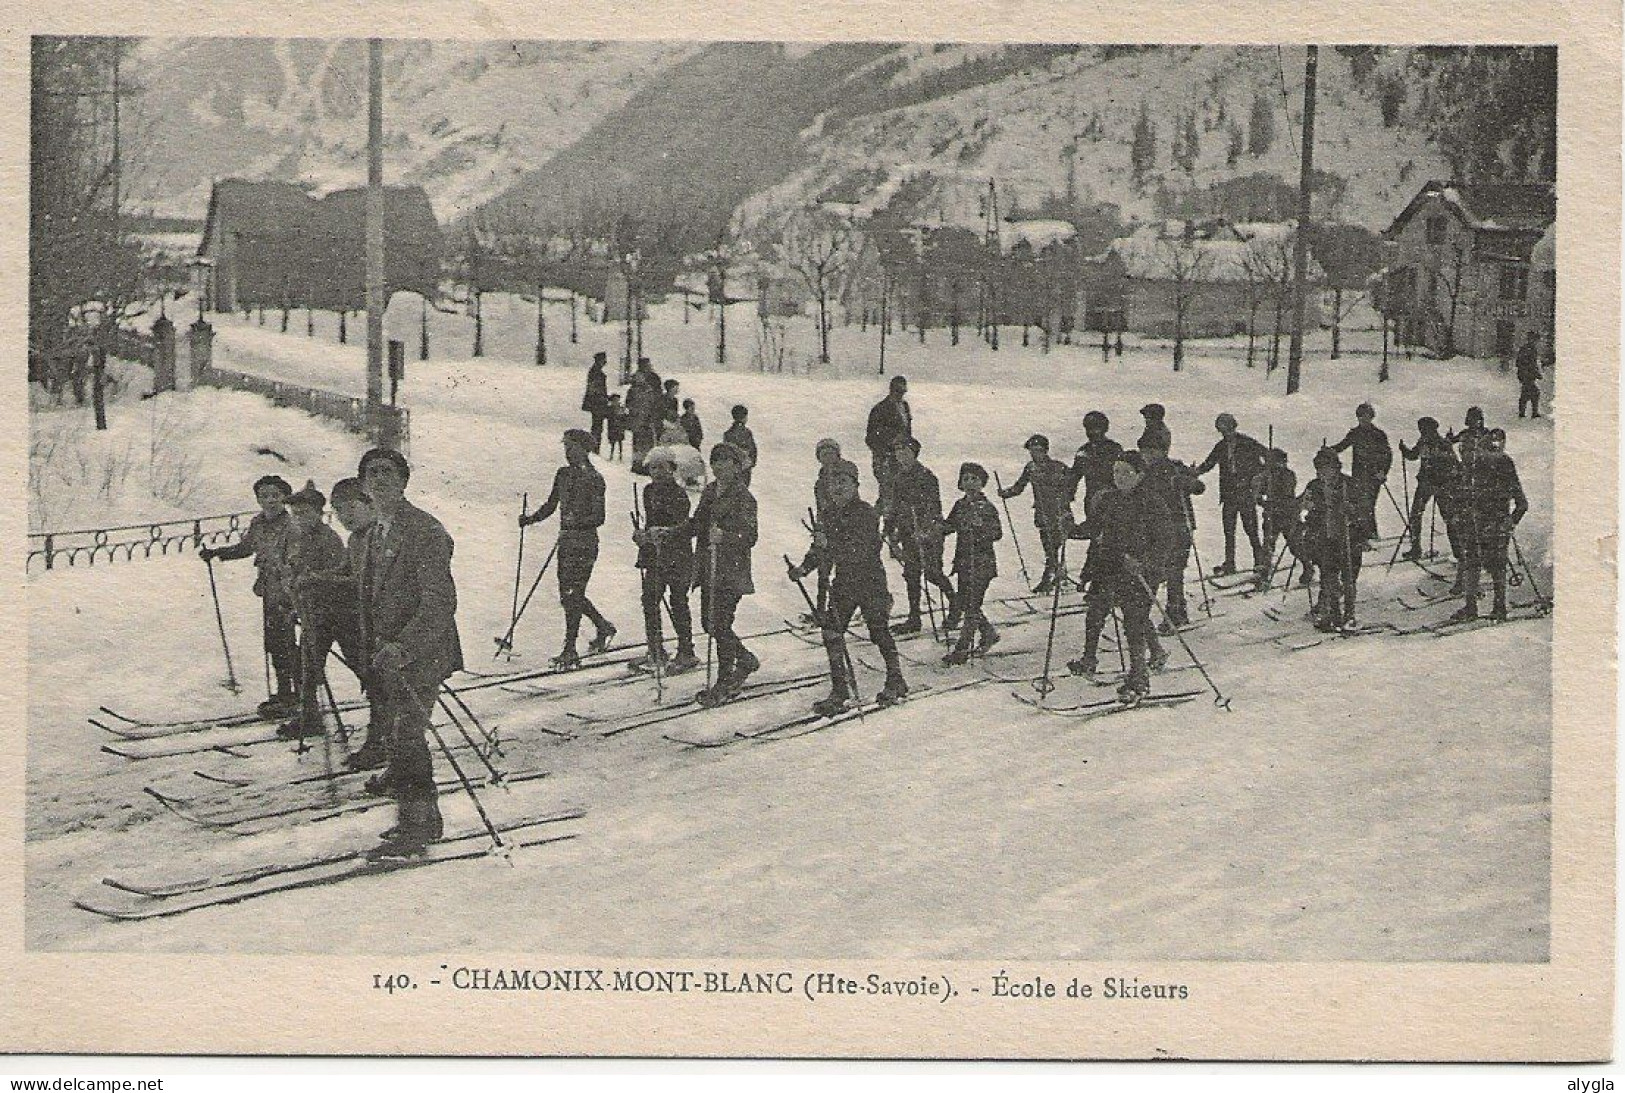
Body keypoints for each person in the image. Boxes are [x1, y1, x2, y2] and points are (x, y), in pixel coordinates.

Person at [354, 447, 463, 860]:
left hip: (423, 652)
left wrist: (405, 645)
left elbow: (439, 602)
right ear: (364, 485)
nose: (379, 480)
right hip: (388, 656)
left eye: (388, 473)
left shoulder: (424, 531)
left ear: (403, 482)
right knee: (398, 734)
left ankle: (421, 823)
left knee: (406, 733)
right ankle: (409, 811)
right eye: (371, 474)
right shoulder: (369, 535)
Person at [788, 462, 909, 714]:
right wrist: (803, 568)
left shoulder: (866, 513)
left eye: (844, 482)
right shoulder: (829, 514)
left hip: (870, 582)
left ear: (856, 485)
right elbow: (819, 550)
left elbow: (860, 550)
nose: (838, 488)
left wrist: (828, 544)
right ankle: (839, 690)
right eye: (834, 483)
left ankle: (896, 679)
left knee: (878, 631)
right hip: (843, 583)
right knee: (831, 632)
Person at [294, 477, 388, 772]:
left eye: (351, 508)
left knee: (378, 684)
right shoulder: (356, 539)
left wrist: (321, 580)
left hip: (373, 622)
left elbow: (360, 583)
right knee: (373, 683)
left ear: (369, 504)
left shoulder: (381, 536)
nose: (345, 516)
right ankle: (379, 742)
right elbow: (347, 571)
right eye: (339, 510)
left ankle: (382, 744)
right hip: (361, 620)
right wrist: (317, 580)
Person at [1071, 452, 1173, 704]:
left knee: (1133, 621)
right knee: (1095, 610)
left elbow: (1165, 540)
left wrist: (1144, 562)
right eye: (1116, 472)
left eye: (1126, 473)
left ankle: (1139, 677)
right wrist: (1071, 531)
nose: (1120, 478)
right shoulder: (1109, 500)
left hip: (1142, 572)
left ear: (1140, 475)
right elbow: (1094, 528)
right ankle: (1089, 660)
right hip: (1111, 566)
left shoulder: (1152, 502)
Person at [200, 475, 297, 717]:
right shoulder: (259, 524)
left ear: (284, 497)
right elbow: (246, 548)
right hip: (269, 589)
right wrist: (217, 552)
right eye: (264, 496)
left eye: (275, 495)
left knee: (288, 642)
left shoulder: (293, 524)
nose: (270, 500)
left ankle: (299, 693)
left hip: (290, 591)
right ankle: (284, 692)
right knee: (274, 642)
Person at [520, 429, 617, 669]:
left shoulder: (595, 479)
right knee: (568, 596)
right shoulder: (562, 475)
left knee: (574, 594)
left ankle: (570, 648)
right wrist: (530, 519)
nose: (568, 453)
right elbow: (552, 505)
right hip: (567, 543)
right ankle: (602, 626)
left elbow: (599, 516)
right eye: (566, 448)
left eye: (572, 448)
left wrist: (577, 521)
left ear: (584, 450)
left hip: (585, 544)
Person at [274, 482, 354, 742]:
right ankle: (310, 718)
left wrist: (312, 582)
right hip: (311, 615)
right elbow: (290, 571)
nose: (300, 519)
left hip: (337, 616)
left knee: (360, 665)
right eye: (296, 514)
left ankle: (384, 718)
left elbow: (340, 579)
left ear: (319, 513)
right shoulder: (295, 538)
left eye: (306, 513)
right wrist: (291, 602)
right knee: (305, 667)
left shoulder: (329, 540)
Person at [688, 442, 760, 705]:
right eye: (715, 461)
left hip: (731, 570)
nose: (719, 466)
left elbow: (750, 536)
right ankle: (744, 659)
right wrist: (666, 533)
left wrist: (726, 537)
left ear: (736, 465)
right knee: (710, 623)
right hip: (710, 566)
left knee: (719, 622)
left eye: (725, 461)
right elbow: (697, 524)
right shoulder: (710, 492)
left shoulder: (744, 498)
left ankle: (724, 680)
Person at [1448, 427, 1529, 623]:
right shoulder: (1479, 466)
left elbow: (1521, 503)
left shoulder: (1493, 464)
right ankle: (1488, 607)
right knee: (1485, 564)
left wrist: (1510, 520)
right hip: (1483, 522)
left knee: (1487, 564)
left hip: (1492, 522)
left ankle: (1487, 607)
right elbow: (1521, 503)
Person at [630, 452, 700, 674]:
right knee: (650, 600)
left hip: (677, 556)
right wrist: (641, 536)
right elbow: (650, 522)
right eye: (653, 468)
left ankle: (686, 650)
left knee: (678, 601)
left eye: (662, 468)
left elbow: (680, 528)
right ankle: (656, 649)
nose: (657, 473)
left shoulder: (679, 495)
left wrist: (656, 535)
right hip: (654, 556)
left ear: (672, 469)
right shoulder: (648, 491)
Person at [884, 436, 957, 634]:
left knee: (933, 573)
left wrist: (926, 531)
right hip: (908, 533)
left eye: (905, 450)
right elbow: (894, 507)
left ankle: (956, 604)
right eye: (898, 451)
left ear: (914, 453)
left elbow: (934, 508)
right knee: (911, 574)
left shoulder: (927, 476)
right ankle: (914, 618)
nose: (901, 455)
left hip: (928, 533)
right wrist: (890, 530)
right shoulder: (898, 479)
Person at [1137, 435, 1205, 631]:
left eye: (1151, 451)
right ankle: (1167, 611)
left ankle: (1176, 612)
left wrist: (1185, 481)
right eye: (1144, 452)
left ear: (1161, 451)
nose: (1147, 456)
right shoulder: (1145, 472)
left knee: (1174, 570)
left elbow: (1199, 487)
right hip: (1157, 529)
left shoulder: (1175, 467)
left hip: (1179, 526)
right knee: (1163, 569)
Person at [941, 462, 1003, 666]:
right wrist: (931, 531)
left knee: (972, 605)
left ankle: (962, 648)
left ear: (982, 483)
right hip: (964, 562)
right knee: (967, 602)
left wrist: (981, 528)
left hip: (982, 563)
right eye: (966, 479)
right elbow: (949, 525)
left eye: (974, 479)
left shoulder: (987, 507)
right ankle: (988, 633)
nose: (969, 483)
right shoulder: (960, 505)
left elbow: (997, 533)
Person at [997, 434, 1073, 593]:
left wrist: (1065, 501)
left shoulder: (1059, 467)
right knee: (1049, 547)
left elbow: (1071, 486)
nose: (1034, 454)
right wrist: (1006, 493)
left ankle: (1051, 577)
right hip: (1042, 514)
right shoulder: (1030, 468)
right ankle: (1056, 574)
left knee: (1056, 545)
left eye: (1038, 450)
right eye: (1032, 451)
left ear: (1046, 450)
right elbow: (1019, 487)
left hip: (1059, 512)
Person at [1299, 447, 1364, 632]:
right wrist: (1305, 514)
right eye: (1318, 469)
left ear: (1335, 468)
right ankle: (1333, 615)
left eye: (1325, 469)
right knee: (1329, 577)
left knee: (1349, 578)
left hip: (1348, 538)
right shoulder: (1314, 486)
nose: (1322, 473)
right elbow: (1304, 508)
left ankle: (1349, 615)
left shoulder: (1349, 484)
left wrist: (1351, 510)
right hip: (1325, 538)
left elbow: (1363, 510)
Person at [1194, 413, 1268, 575]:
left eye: (1226, 429)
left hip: (1245, 493)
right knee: (1229, 530)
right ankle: (1230, 563)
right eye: (1221, 431)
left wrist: (1258, 478)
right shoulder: (1220, 446)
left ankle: (1259, 561)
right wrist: (1195, 472)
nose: (1224, 433)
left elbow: (1267, 457)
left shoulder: (1247, 443)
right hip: (1229, 495)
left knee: (1251, 529)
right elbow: (1209, 463)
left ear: (1233, 427)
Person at [1399, 416, 1462, 563]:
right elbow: (1413, 455)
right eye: (1421, 430)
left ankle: (1458, 551)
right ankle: (1416, 548)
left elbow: (1455, 466)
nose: (1422, 433)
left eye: (1424, 430)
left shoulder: (1444, 444)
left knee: (1448, 518)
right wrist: (1404, 450)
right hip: (1426, 485)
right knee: (1415, 515)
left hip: (1441, 487)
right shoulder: (1424, 442)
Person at [1330, 402, 1393, 548]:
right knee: (1360, 504)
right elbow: (1342, 445)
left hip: (1373, 476)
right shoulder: (1355, 433)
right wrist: (1330, 451)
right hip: (1358, 475)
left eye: (1366, 416)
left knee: (1368, 504)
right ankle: (1367, 534)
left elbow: (1387, 455)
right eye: (1360, 417)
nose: (1363, 420)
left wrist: (1382, 472)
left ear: (1371, 417)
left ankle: (1369, 535)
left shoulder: (1378, 435)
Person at [811, 439, 861, 616]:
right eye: (823, 454)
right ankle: (821, 608)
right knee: (823, 570)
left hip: (848, 527)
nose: (827, 457)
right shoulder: (820, 483)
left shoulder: (846, 471)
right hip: (829, 527)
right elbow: (820, 507)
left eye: (830, 453)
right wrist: (819, 526)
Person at [1250, 448, 1311, 590]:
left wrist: (1270, 487)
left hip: (1288, 515)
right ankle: (1264, 575)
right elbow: (1258, 494)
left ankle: (1308, 567)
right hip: (1271, 516)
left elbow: (1286, 493)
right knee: (1268, 546)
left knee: (1295, 546)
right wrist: (1260, 495)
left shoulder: (1288, 475)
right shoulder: (1265, 476)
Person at [865, 375, 913, 509]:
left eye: (903, 392)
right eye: (897, 391)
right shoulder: (879, 409)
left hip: (902, 458)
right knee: (887, 494)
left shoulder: (904, 406)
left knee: (901, 492)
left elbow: (907, 432)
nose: (900, 395)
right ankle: (883, 522)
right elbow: (870, 438)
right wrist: (889, 443)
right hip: (885, 460)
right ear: (891, 390)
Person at [1068, 410, 1123, 515]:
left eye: (1096, 428)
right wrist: (1069, 493)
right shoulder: (1084, 451)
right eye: (1089, 429)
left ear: (1104, 429)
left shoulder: (1114, 449)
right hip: (1092, 499)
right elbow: (1074, 475)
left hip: (1114, 497)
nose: (1093, 432)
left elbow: (1124, 471)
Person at [722, 404, 758, 488]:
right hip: (745, 467)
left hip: (732, 467)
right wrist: (752, 462)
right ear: (744, 418)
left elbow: (725, 450)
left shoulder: (728, 433)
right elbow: (753, 449)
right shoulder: (747, 432)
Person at [581, 352, 610, 452]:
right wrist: (603, 398)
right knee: (597, 427)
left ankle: (595, 447)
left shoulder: (595, 371)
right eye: (603, 360)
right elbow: (594, 389)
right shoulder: (595, 372)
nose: (605, 362)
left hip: (597, 403)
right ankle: (594, 447)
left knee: (597, 426)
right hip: (597, 403)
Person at [1515, 331, 1544, 419]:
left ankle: (1524, 413)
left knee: (1527, 393)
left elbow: (1523, 362)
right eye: (1535, 340)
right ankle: (1531, 413)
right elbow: (1529, 364)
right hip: (1527, 375)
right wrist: (1536, 373)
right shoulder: (1529, 349)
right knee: (1534, 393)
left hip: (1526, 375)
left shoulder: (1526, 348)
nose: (1536, 342)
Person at [604, 394, 628, 462]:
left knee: (619, 443)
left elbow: (625, 417)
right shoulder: (611, 408)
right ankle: (613, 456)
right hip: (613, 428)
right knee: (613, 443)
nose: (616, 401)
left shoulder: (620, 408)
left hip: (618, 428)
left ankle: (620, 456)